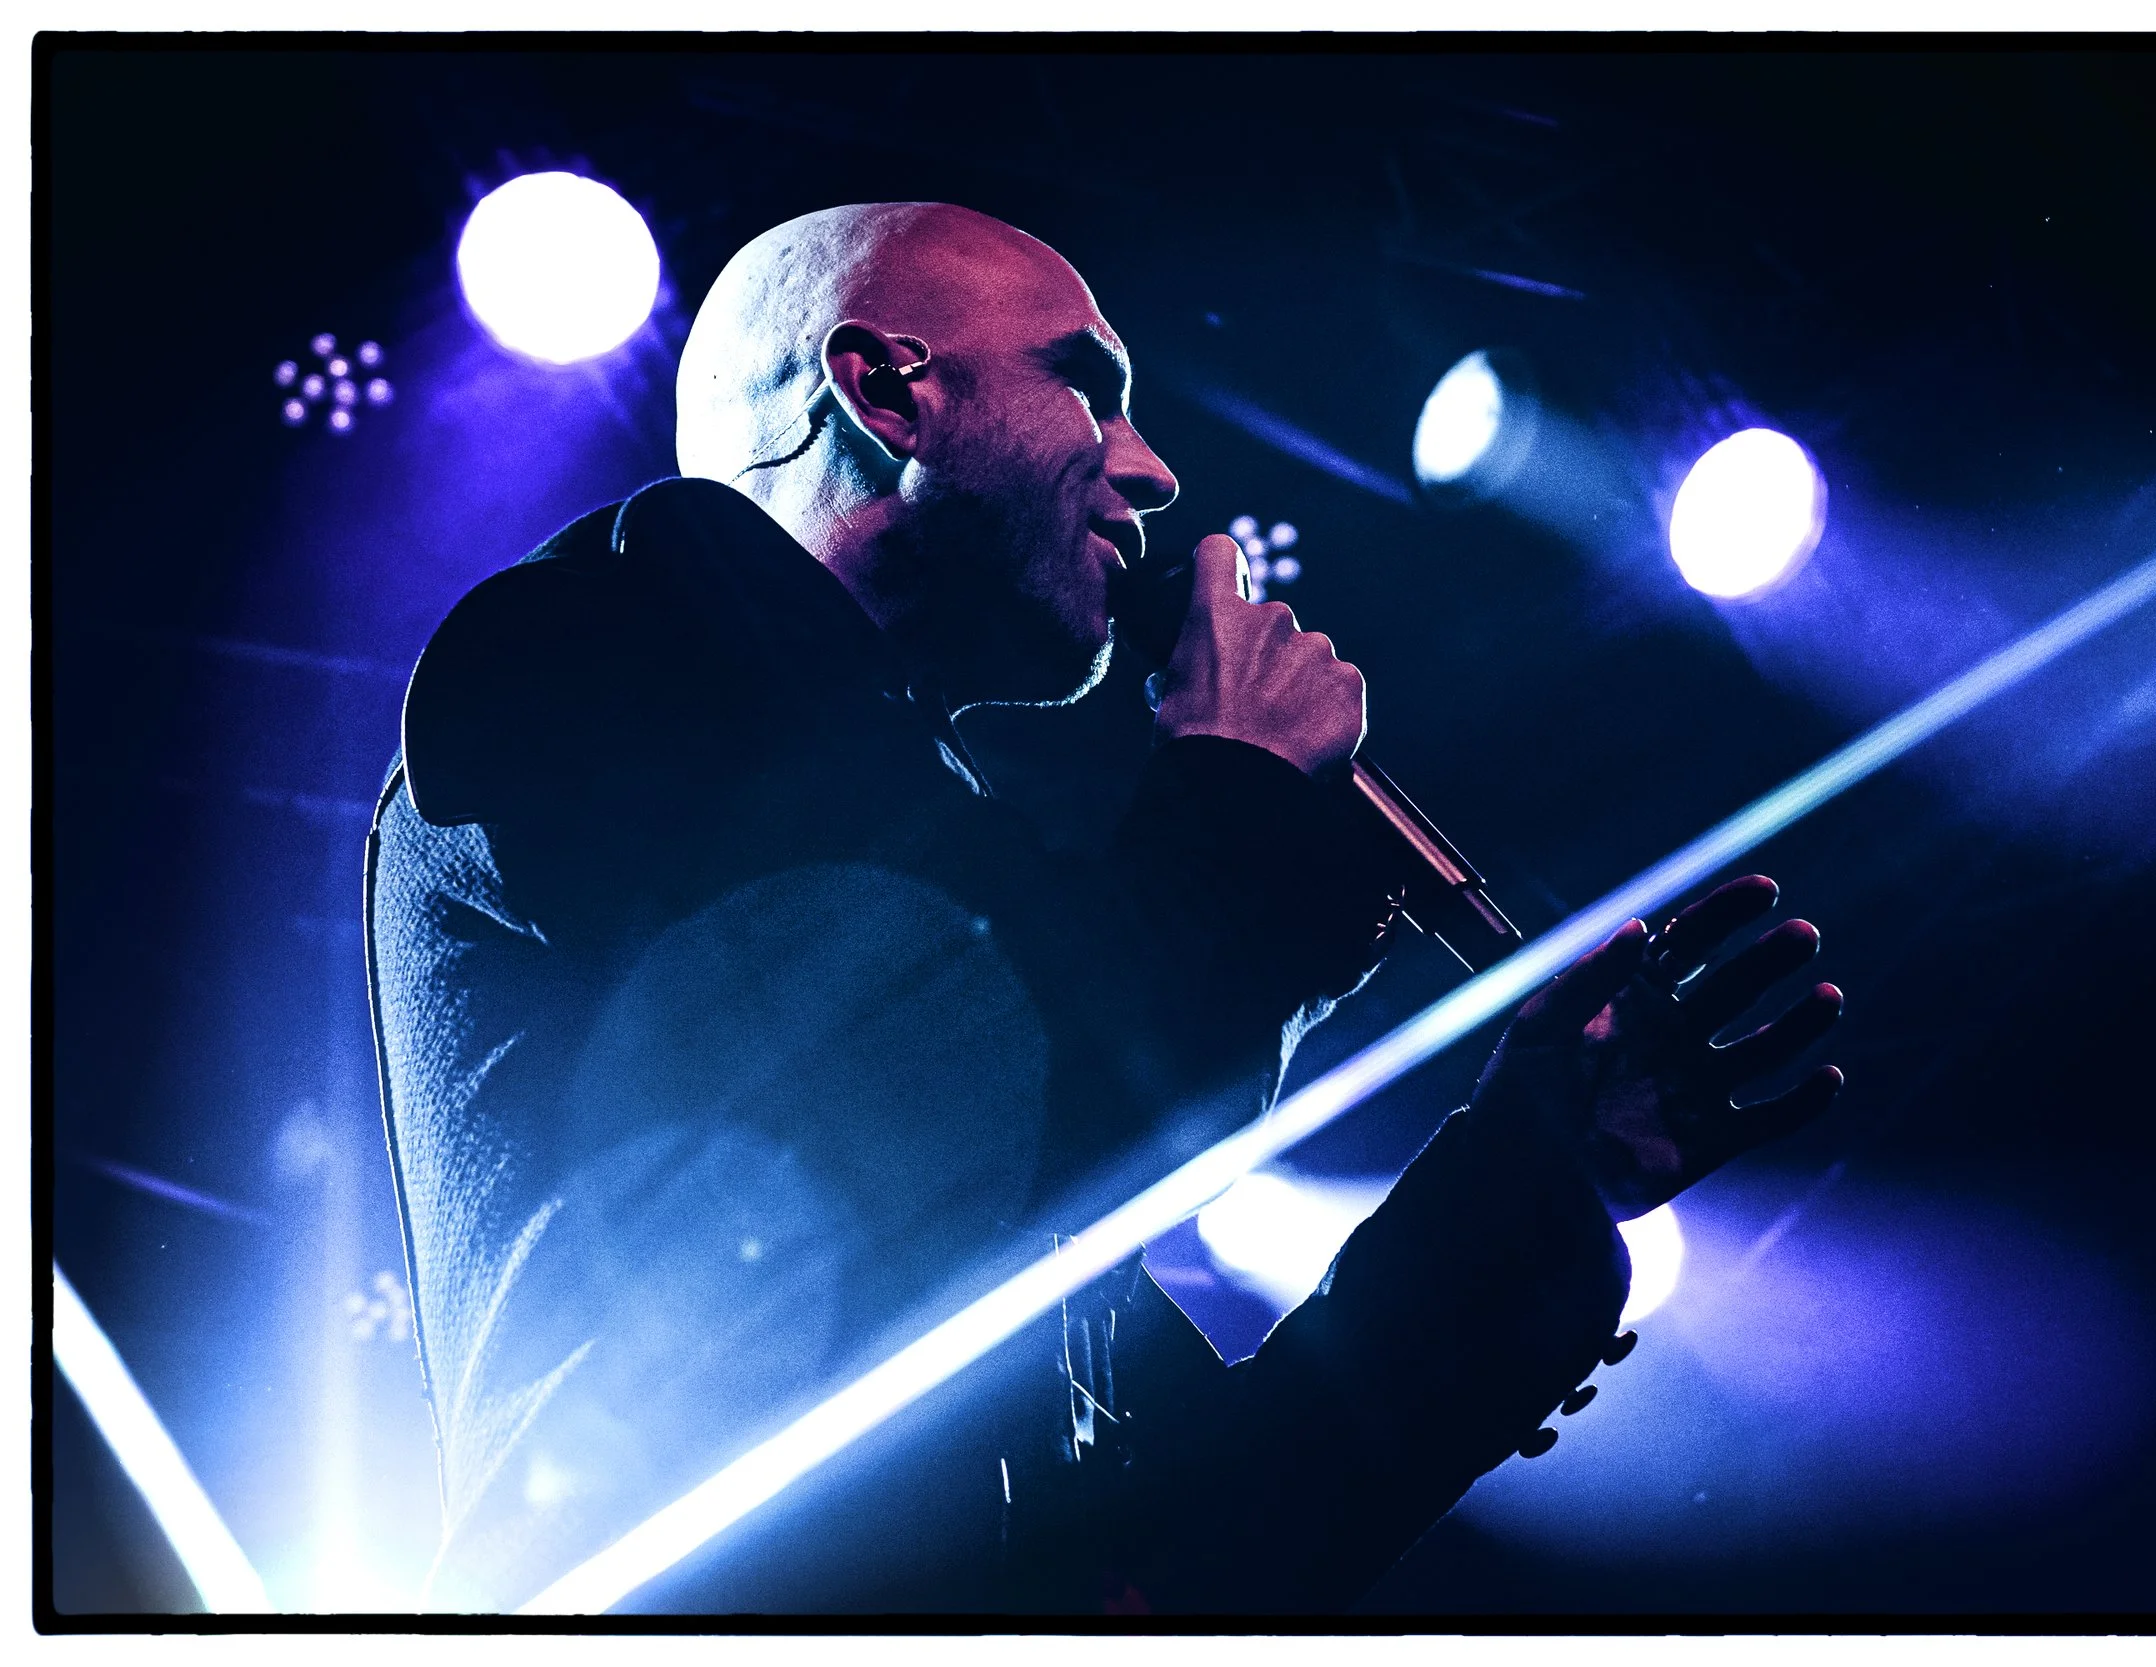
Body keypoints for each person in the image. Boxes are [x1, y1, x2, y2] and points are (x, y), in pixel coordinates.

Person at [364, 201, 1844, 1614]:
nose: (1153, 472)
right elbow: (949, 1123)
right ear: (885, 391)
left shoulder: (969, 865)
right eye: (1088, 387)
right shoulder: (593, 640)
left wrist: (1537, 1166)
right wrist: (1243, 799)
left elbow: (1222, 1550)